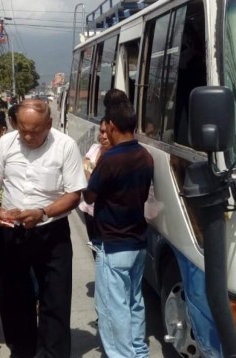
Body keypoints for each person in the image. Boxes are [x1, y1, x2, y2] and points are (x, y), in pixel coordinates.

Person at [0, 98, 87, 357]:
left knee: (55, 298)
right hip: (12, 230)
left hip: (51, 232)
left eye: (35, 130)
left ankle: (52, 352)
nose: (27, 135)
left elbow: (74, 194)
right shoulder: (7, 143)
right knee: (14, 298)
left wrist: (43, 213)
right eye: (22, 129)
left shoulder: (65, 146)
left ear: (49, 124)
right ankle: (23, 349)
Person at [83, 89, 154, 358]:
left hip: (112, 244)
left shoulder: (110, 159)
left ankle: (122, 355)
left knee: (113, 309)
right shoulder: (145, 155)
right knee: (135, 302)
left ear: (111, 126)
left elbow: (90, 195)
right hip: (137, 241)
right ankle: (138, 351)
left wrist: (86, 176)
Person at [78, 117, 111, 258]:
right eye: (101, 131)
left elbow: (91, 173)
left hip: (106, 213)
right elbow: (85, 170)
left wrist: (91, 171)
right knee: (94, 247)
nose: (103, 136)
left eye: (107, 132)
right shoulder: (94, 148)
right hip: (89, 209)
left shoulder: (117, 155)